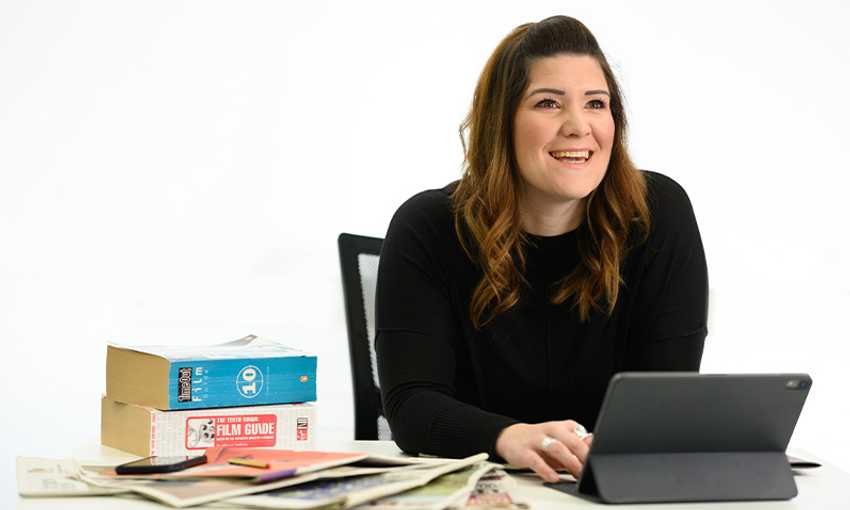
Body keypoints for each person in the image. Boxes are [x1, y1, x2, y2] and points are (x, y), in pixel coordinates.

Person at [374, 15, 708, 483]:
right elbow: (411, 407)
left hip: (606, 493)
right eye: (548, 103)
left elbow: (666, 401)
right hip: (479, 488)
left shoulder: (657, 215)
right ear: (501, 122)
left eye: (596, 103)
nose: (578, 126)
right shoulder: (427, 226)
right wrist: (509, 437)